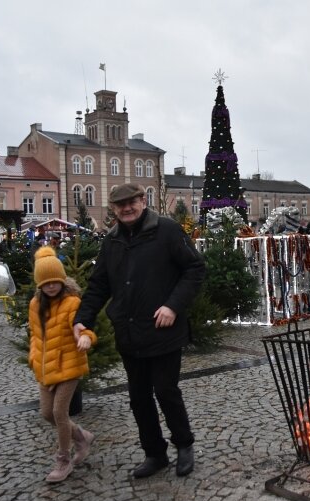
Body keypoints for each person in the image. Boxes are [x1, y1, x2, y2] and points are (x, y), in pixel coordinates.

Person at [74, 183, 205, 479]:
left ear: (142, 201)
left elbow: (195, 269)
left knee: (166, 391)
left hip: (163, 330)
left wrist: (173, 305)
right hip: (129, 333)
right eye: (120, 206)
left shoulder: (168, 231)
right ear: (114, 210)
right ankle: (155, 453)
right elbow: (98, 286)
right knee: (138, 397)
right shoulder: (112, 241)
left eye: (131, 202)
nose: (126, 209)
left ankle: (184, 445)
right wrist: (83, 319)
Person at [28, 247, 97, 483]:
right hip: (45, 368)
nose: (51, 286)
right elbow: (35, 336)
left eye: (55, 281)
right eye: (46, 282)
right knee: (46, 413)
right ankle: (81, 436)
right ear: (40, 284)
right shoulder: (34, 305)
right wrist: (33, 357)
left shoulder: (72, 302)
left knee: (59, 412)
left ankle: (63, 459)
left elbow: (82, 324)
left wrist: (86, 337)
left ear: (62, 279)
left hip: (69, 364)